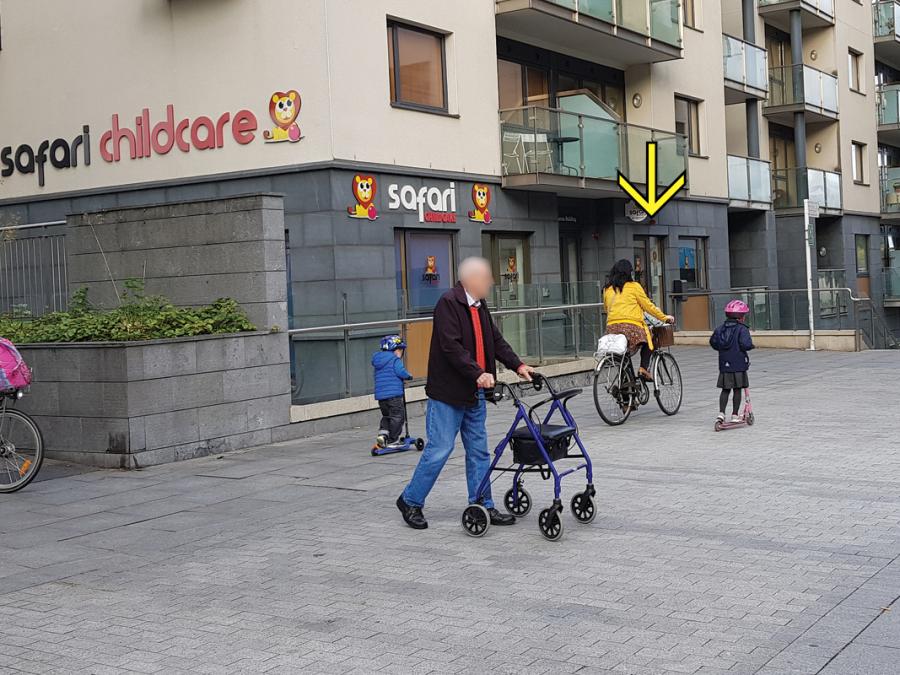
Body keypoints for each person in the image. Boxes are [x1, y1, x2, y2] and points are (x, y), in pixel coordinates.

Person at [396, 257, 535, 530]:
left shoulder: (479, 306)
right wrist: (478, 373)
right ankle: (410, 501)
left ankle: (483, 504)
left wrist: (517, 365)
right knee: (440, 450)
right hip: (448, 394)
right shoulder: (449, 303)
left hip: (474, 393)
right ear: (471, 280)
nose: (491, 283)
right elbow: (451, 347)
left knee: (479, 452)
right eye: (487, 278)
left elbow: (494, 341)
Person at [602, 259, 674, 381]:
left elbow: (606, 308)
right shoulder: (634, 286)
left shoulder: (607, 289)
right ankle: (643, 369)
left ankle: (625, 388)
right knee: (650, 340)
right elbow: (648, 306)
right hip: (631, 327)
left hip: (611, 328)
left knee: (623, 354)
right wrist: (664, 317)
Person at [709, 300, 754, 423]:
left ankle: (721, 413)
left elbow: (713, 342)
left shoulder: (720, 329)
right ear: (740, 317)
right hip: (738, 364)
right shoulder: (742, 329)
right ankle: (734, 415)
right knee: (737, 389)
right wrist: (751, 346)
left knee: (725, 389)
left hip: (724, 364)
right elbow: (746, 344)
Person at [372, 335, 413, 448]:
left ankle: (383, 435)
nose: (401, 352)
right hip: (394, 396)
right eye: (400, 350)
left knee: (387, 416)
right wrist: (409, 376)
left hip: (382, 398)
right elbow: (401, 372)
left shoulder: (378, 361)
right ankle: (393, 440)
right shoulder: (395, 360)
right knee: (397, 417)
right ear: (395, 350)